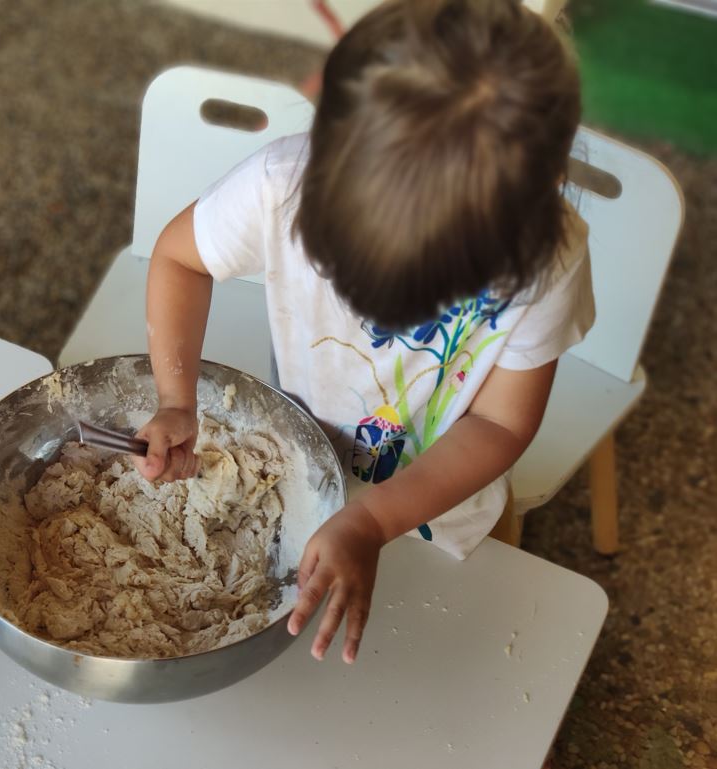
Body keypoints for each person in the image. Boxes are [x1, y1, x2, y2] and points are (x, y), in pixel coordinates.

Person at [133, 0, 593, 665]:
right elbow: (179, 258)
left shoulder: (547, 261)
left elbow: (499, 426)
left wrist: (376, 519)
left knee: (444, 662)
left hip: (442, 508)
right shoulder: (282, 183)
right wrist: (177, 398)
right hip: (303, 463)